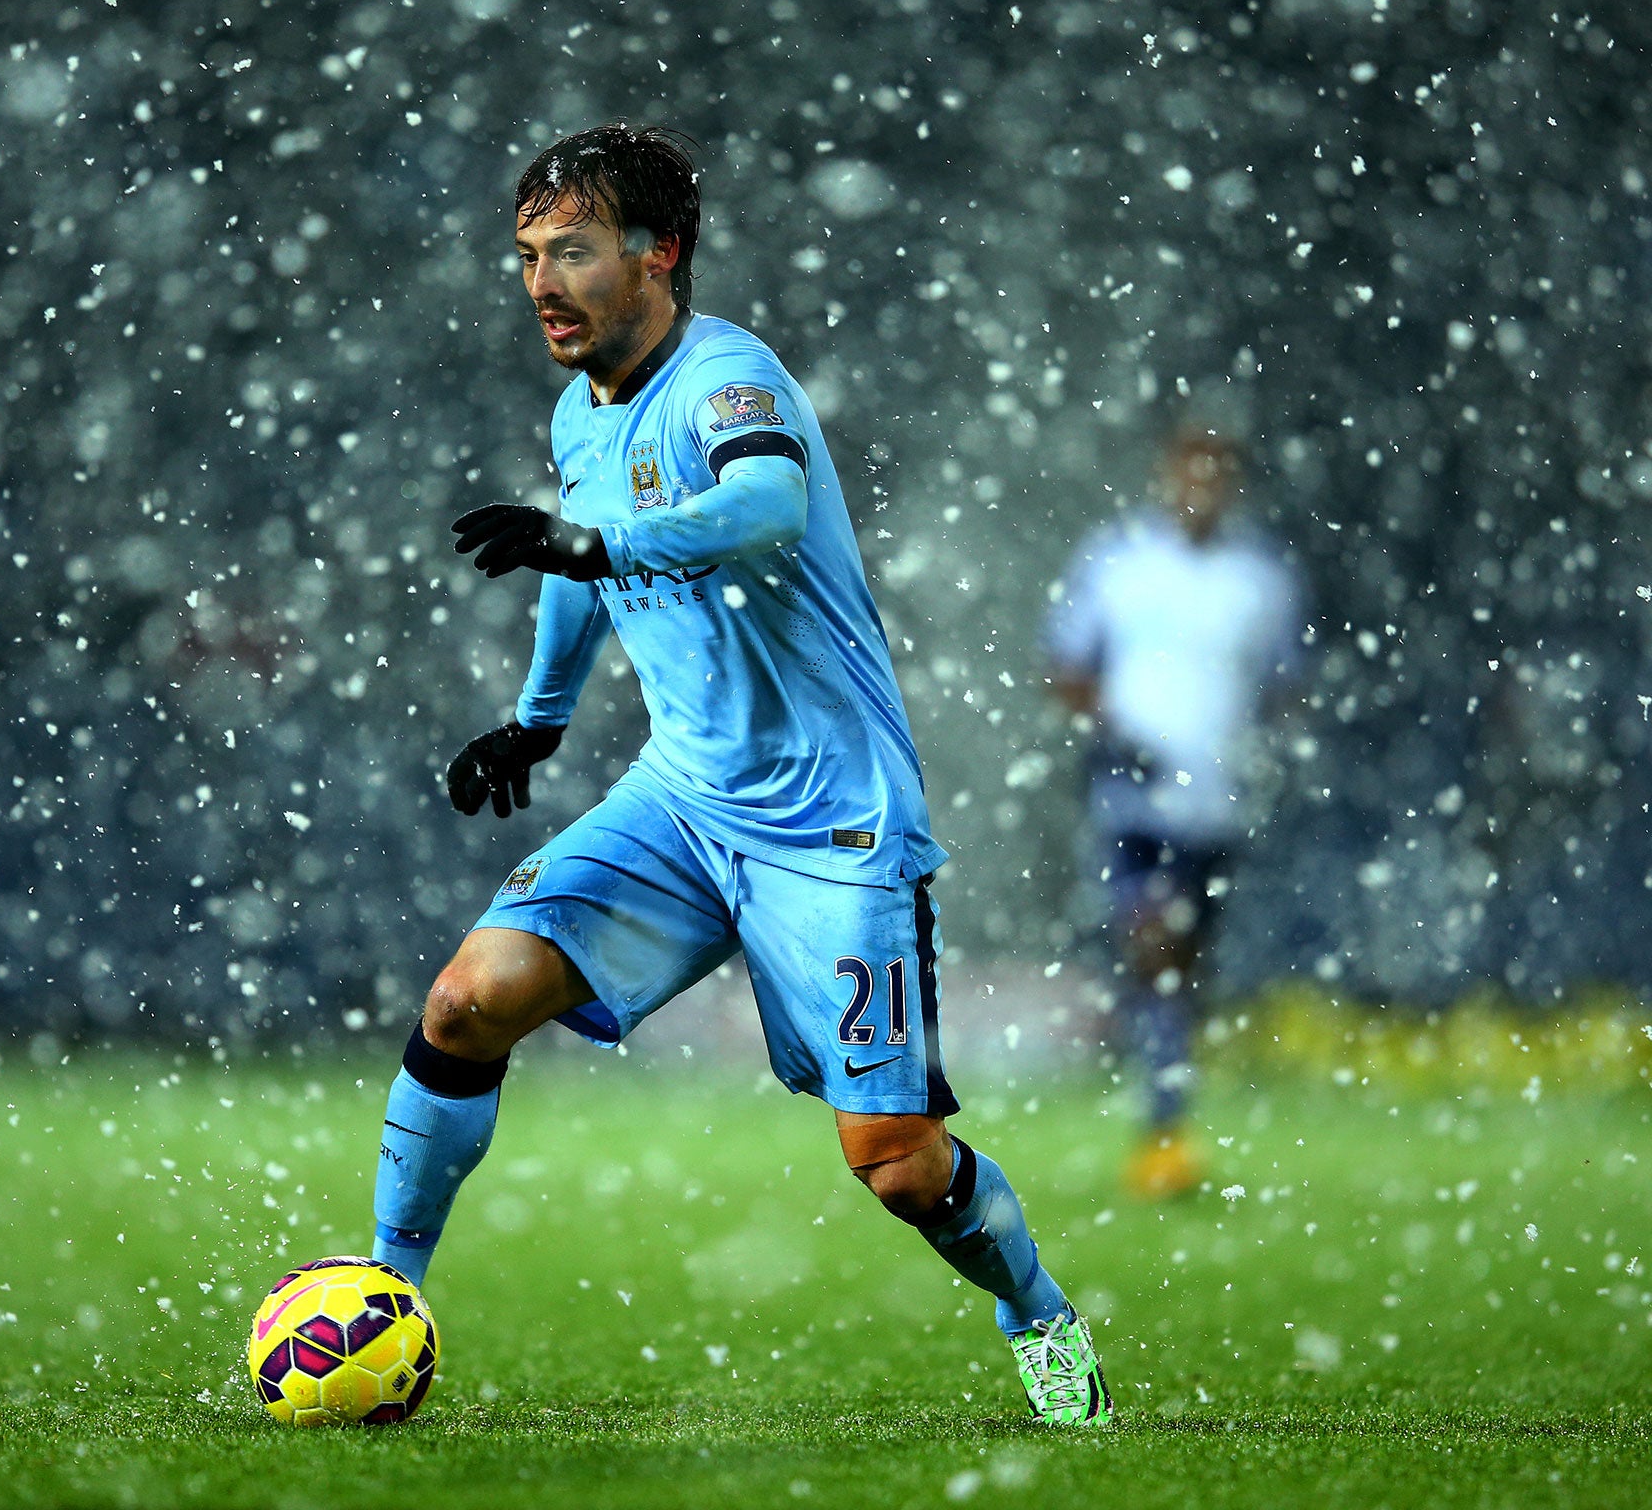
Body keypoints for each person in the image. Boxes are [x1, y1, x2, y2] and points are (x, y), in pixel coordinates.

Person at [365, 124, 1110, 1425]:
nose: (542, 281)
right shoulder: (578, 408)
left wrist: (595, 539)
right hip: (683, 799)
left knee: (893, 1163)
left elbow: (757, 513)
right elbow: (579, 573)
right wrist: (537, 719)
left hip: (833, 827)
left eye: (575, 252)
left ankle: (1036, 1309)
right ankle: (385, 1296)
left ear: (659, 257)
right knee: (468, 999)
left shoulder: (726, 379)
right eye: (528, 256)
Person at [1044, 424, 1305, 1199]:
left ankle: (1166, 1112)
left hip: (1216, 802)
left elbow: (1287, 679)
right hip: (1134, 794)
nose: (1202, 488)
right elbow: (1065, 665)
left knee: (1186, 964)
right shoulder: (1119, 561)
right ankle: (1161, 1124)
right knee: (1151, 939)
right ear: (1167, 477)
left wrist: (1254, 745)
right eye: (1189, 472)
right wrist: (1116, 733)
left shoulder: (1261, 578)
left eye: (1217, 475)